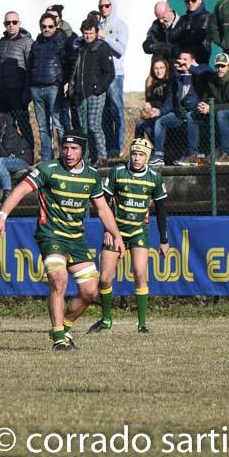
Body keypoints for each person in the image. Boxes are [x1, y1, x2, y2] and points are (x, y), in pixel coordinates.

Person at [0, 131, 125, 351]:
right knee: (58, 278)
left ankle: (63, 327)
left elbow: (102, 208)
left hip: (76, 238)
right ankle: (60, 338)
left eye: (74, 149)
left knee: (90, 291)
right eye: (65, 148)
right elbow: (21, 190)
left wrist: (117, 235)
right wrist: (1, 217)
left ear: (83, 151)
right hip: (51, 234)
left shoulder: (92, 175)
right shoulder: (48, 169)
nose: (69, 153)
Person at [87, 138, 168, 334]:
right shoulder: (118, 173)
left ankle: (142, 324)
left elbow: (162, 210)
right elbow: (102, 204)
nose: (137, 158)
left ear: (147, 157)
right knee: (105, 279)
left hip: (139, 230)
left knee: (140, 273)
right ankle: (106, 320)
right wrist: (107, 229)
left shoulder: (155, 178)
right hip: (116, 232)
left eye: (141, 155)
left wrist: (164, 240)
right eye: (134, 154)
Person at [69, 18, 115, 167]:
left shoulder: (103, 48)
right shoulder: (80, 48)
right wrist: (71, 86)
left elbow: (109, 73)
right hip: (80, 93)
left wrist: (98, 89)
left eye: (91, 33)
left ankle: (102, 156)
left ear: (96, 32)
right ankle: (85, 157)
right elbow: (75, 69)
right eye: (85, 33)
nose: (88, 36)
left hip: (95, 93)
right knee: (83, 128)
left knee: (94, 125)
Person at [157, 51, 214, 167]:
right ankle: (158, 156)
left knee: (191, 117)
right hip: (181, 114)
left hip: (199, 113)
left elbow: (208, 75)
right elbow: (170, 101)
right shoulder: (178, 77)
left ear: (193, 61)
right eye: (180, 59)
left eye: (185, 59)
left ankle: (194, 155)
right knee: (160, 121)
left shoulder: (202, 70)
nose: (182, 62)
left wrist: (190, 68)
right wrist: (159, 111)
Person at [29, 13, 68, 161]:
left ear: (56, 26)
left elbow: (67, 64)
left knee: (58, 124)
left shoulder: (61, 42)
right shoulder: (36, 44)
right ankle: (47, 158)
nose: (47, 29)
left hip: (53, 87)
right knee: (42, 127)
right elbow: (30, 65)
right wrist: (30, 84)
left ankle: (65, 156)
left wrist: (63, 82)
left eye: (50, 26)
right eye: (44, 26)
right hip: (36, 89)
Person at [0, 11, 34, 149]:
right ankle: (10, 153)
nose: (11, 25)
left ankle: (30, 154)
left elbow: (30, 68)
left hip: (19, 92)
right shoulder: (2, 42)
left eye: (14, 22)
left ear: (19, 23)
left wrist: (27, 92)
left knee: (24, 125)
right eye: (8, 23)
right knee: (6, 126)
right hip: (3, 93)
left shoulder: (27, 42)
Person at [98, 0, 129, 158]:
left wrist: (105, 37)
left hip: (115, 73)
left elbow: (120, 49)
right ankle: (110, 147)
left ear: (113, 6)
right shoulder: (98, 25)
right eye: (101, 6)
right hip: (100, 74)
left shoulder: (120, 25)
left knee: (117, 110)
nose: (104, 9)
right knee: (104, 112)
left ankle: (120, 146)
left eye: (107, 5)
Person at [134, 59, 174, 167]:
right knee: (141, 124)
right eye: (156, 68)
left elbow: (169, 103)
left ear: (166, 69)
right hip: (154, 115)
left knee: (159, 123)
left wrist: (158, 110)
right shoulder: (151, 83)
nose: (159, 71)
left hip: (166, 115)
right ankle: (139, 151)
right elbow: (151, 101)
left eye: (161, 68)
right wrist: (148, 106)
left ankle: (159, 155)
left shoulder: (170, 82)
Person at [170, 0, 211, 64]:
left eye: (193, 0)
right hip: (183, 58)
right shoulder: (183, 18)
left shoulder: (207, 16)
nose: (190, 3)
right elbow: (172, 36)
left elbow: (198, 37)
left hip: (199, 58)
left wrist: (182, 36)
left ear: (200, 0)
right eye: (187, 1)